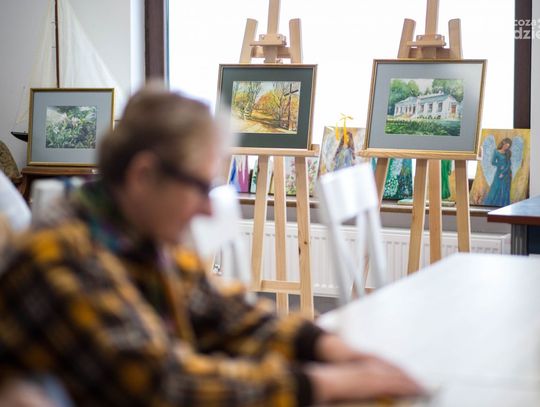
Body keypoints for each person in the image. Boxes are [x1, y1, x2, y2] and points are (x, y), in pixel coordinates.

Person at [0, 84, 423, 406]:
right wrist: (321, 383)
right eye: (200, 188)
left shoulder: (137, 235)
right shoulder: (58, 258)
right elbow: (167, 386)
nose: (208, 208)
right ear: (144, 175)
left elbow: (223, 313)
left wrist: (325, 346)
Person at [484, 137, 512, 206]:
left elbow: (509, 164)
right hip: (499, 172)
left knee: (505, 189)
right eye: (506, 145)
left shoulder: (508, 152)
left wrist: (503, 173)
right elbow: (493, 162)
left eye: (508, 146)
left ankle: (504, 205)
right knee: (495, 187)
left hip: (507, 173)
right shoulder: (496, 151)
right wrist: (499, 165)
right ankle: (492, 205)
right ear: (503, 143)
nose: (506, 147)